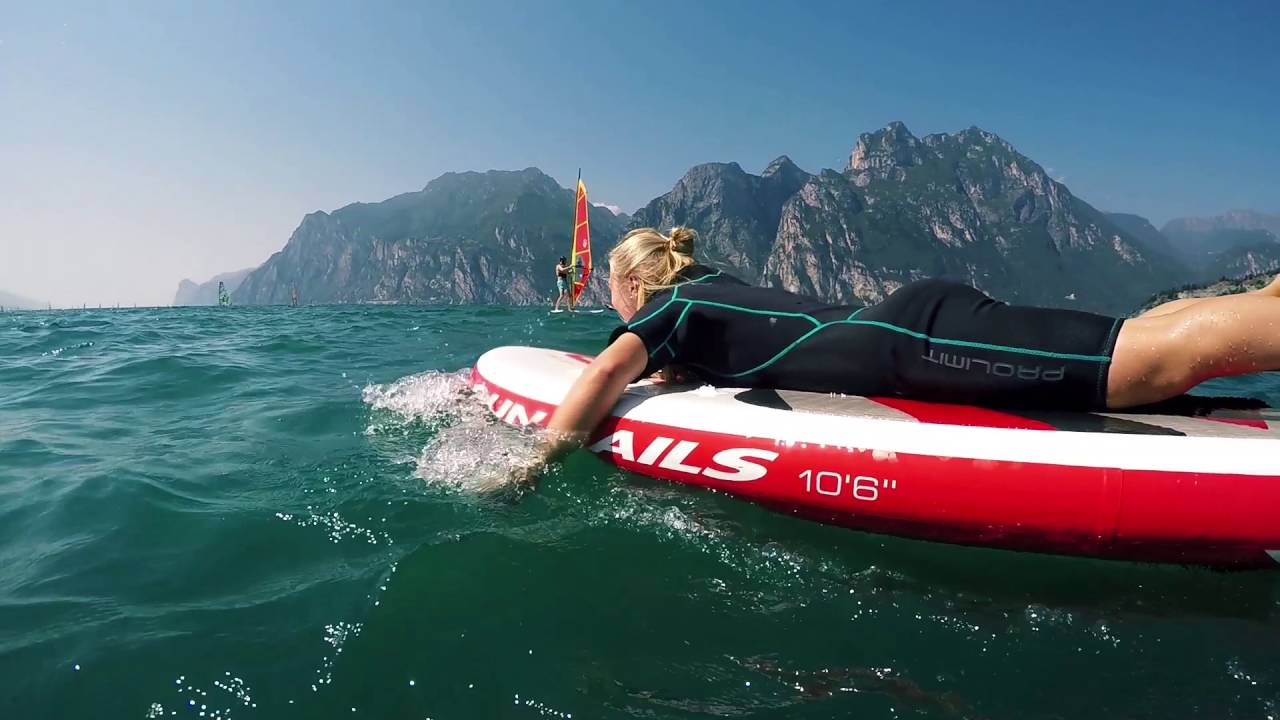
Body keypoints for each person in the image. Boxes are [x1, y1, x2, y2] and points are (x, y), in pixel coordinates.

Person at [519, 226, 1280, 481]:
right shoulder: (714, 292)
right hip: (916, 328)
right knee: (1137, 336)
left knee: (1151, 367)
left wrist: (537, 461)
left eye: (613, 296)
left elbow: (605, 373)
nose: (614, 311)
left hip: (922, 344)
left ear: (633, 284)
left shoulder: (670, 307)